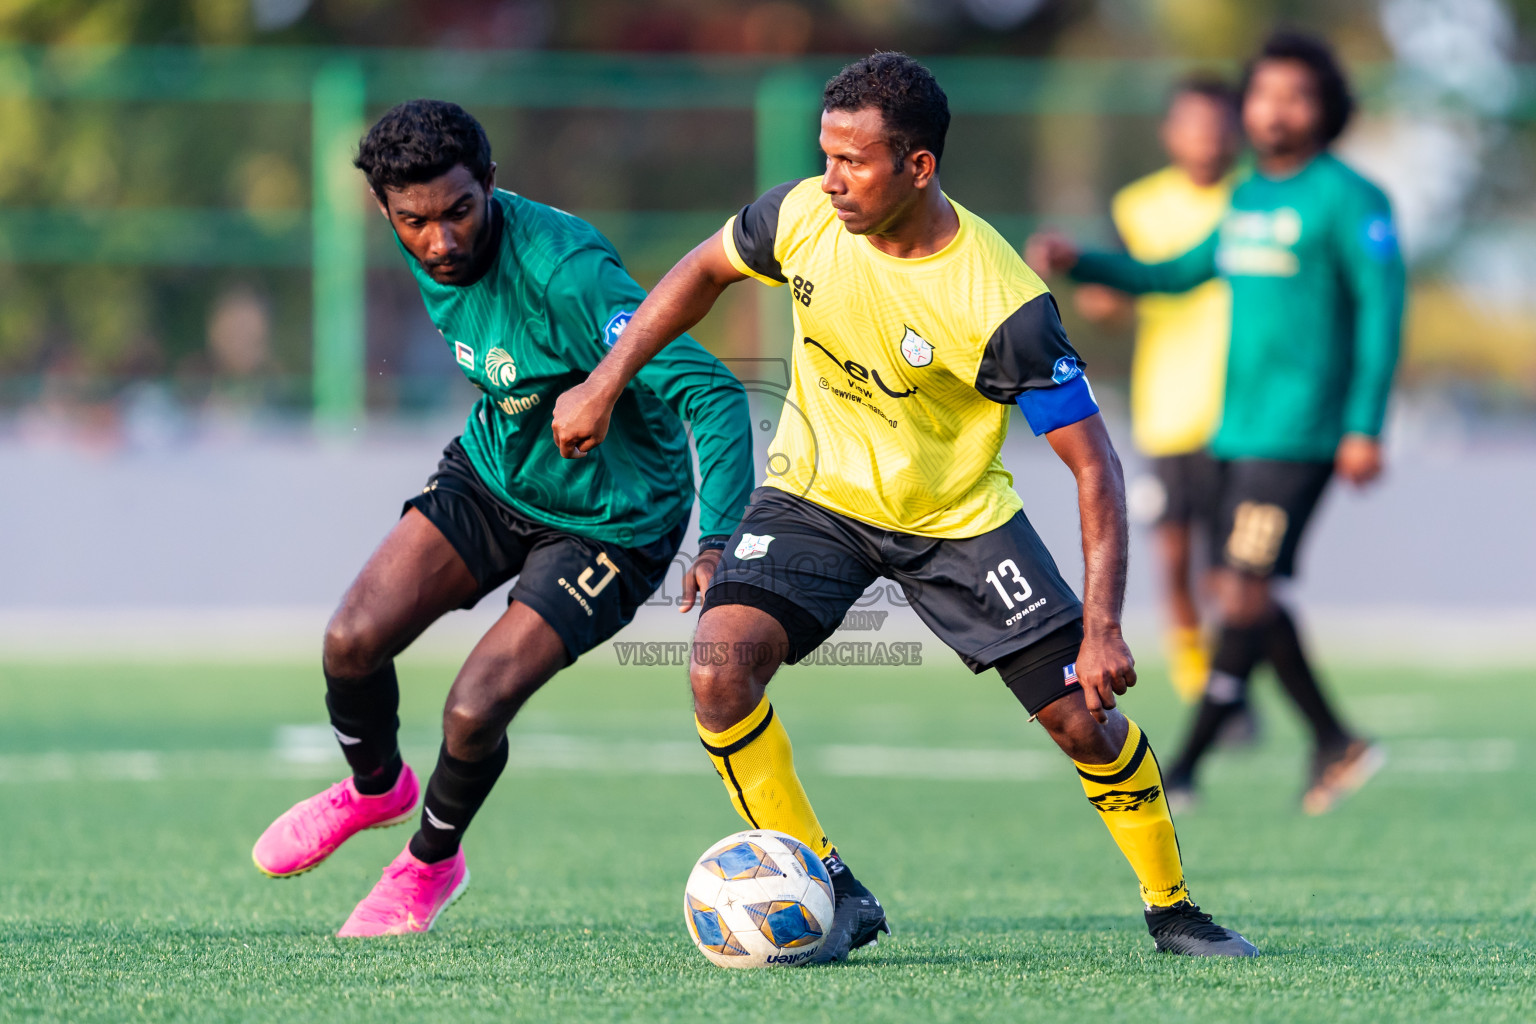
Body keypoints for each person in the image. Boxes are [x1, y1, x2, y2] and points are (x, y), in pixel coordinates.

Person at [553, 53, 1257, 959]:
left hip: (957, 520)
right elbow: (701, 270)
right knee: (719, 670)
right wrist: (608, 381)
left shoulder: (1003, 303)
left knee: (1082, 720)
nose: (831, 180)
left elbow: (1096, 467)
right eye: (826, 156)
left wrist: (1104, 627)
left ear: (919, 167)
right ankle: (829, 885)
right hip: (816, 496)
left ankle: (1173, 909)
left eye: (855, 162)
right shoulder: (802, 214)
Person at [250, 100, 754, 936]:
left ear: (489, 184)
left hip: (614, 518)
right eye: (414, 221)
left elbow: (712, 391)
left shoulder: (568, 273)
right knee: (350, 640)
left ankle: (429, 861)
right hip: (495, 472)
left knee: (474, 707)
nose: (440, 241)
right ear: (385, 210)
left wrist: (719, 537)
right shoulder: (425, 238)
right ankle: (377, 789)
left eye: (458, 212)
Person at [1028, 32, 1403, 814]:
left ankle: (1191, 765)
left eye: (1295, 96)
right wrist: (1085, 262)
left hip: (1302, 436)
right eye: (1263, 94)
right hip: (1233, 430)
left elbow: (1381, 316)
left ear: (1326, 107)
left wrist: (1365, 425)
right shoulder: (1248, 200)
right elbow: (1173, 273)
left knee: (1241, 587)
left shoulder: (1351, 198)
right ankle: (1335, 742)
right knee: (1248, 594)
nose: (1275, 110)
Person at [1065, 75, 1243, 710]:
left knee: (1233, 567)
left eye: (1221, 125)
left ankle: (1229, 679)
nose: (1209, 137)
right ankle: (1199, 677)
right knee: (1174, 554)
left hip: (1243, 409)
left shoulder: (1254, 202)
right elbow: (1106, 296)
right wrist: (1100, 293)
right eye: (1195, 124)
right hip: (1170, 406)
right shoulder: (1138, 206)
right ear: (1171, 133)